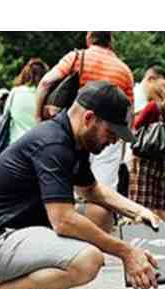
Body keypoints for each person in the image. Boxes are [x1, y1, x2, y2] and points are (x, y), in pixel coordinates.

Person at [0, 81, 160, 289]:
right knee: (88, 260)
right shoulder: (53, 144)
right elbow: (63, 221)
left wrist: (137, 211)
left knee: (96, 221)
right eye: (111, 132)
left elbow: (91, 190)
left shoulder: (73, 140)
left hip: (18, 234)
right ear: (89, 118)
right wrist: (126, 252)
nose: (114, 141)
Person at [37, 31, 134, 218]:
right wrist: (122, 143)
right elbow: (129, 113)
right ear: (110, 42)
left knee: (68, 193)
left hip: (76, 130)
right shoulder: (124, 70)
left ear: (89, 39)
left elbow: (45, 83)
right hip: (110, 133)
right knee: (104, 194)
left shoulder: (76, 57)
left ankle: (76, 231)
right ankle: (99, 232)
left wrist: (38, 119)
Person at [130, 78, 165, 221]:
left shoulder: (153, 107)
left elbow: (137, 126)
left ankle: (141, 234)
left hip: (145, 158)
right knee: (162, 206)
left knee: (141, 204)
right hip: (164, 161)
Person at [6, 59, 48, 143]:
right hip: (39, 143)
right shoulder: (46, 95)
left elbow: (6, 115)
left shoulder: (14, 92)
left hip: (16, 143)